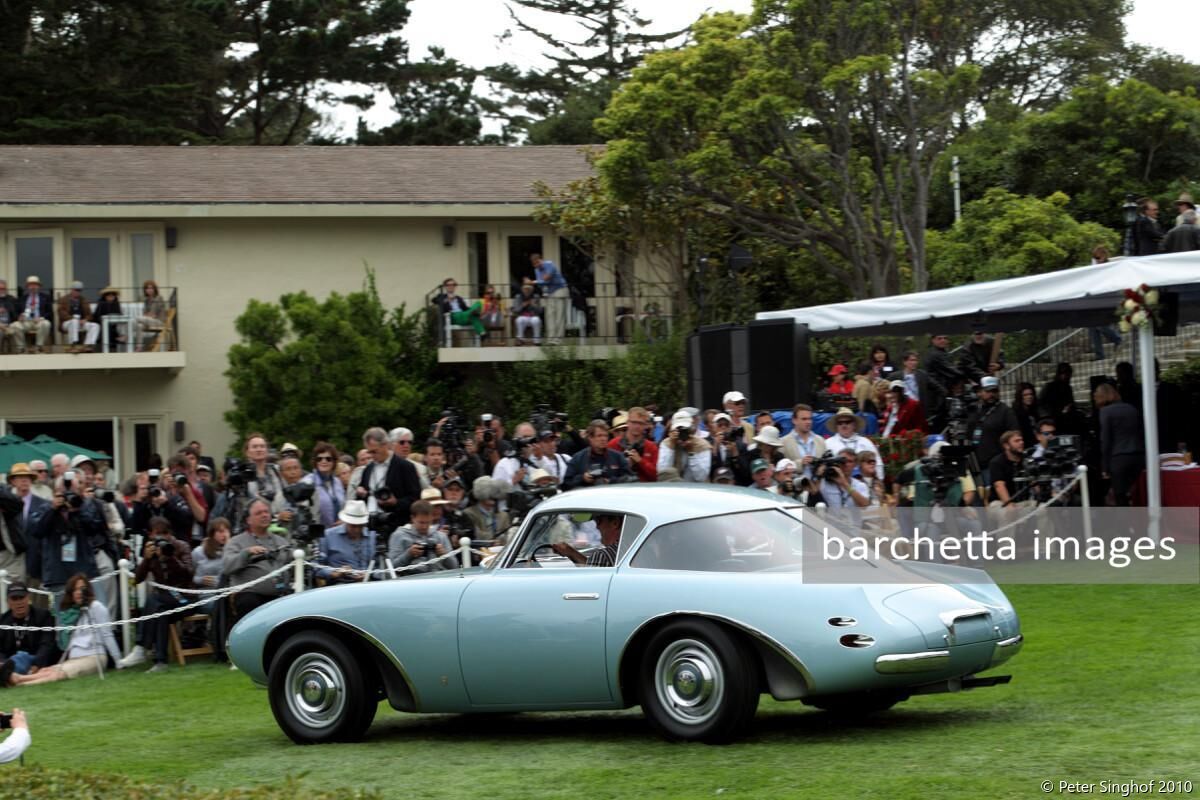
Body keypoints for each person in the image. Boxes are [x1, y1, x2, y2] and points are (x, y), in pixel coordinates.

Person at [7, 574, 122, 685]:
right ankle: (18, 678)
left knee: (58, 675)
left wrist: (118, 662)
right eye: (75, 590)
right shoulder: (72, 613)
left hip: (93, 657)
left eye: (82, 588)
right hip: (74, 657)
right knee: (46, 671)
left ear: (89, 590)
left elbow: (107, 635)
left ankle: (20, 682)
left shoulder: (96, 607)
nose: (79, 593)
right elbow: (64, 645)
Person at [119, 519, 194, 672]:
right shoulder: (151, 550)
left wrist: (170, 557)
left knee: (154, 599)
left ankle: (140, 647)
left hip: (185, 597)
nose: (161, 538)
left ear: (170, 534)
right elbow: (137, 580)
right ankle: (161, 661)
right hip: (164, 601)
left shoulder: (181, 546)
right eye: (157, 534)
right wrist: (146, 559)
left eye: (164, 534)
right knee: (160, 611)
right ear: (151, 535)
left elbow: (189, 574)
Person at [222, 498, 290, 619]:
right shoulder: (235, 542)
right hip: (251, 597)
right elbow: (227, 567)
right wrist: (246, 553)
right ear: (248, 520)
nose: (264, 515)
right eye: (258, 513)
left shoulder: (281, 541)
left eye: (266, 512)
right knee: (248, 602)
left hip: (280, 595)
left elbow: (294, 561)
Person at [351, 427, 421, 525]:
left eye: (374, 451)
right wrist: (361, 493)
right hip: (369, 524)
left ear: (386, 445)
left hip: (395, 524)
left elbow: (415, 499)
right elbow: (364, 496)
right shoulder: (368, 468)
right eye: (369, 452)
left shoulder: (405, 467)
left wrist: (396, 502)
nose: (371, 455)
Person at [1095, 383, 1144, 507]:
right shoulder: (1131, 408)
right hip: (1138, 456)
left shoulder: (1105, 412)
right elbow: (1141, 432)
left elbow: (1105, 440)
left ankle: (1126, 525)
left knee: (1120, 497)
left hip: (1118, 459)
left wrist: (1104, 467)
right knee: (1137, 494)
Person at [0, 582, 59, 678]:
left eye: (21, 597)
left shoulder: (43, 615)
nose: (19, 602)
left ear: (28, 598)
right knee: (16, 659)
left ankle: (7, 673)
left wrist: (36, 664)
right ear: (8, 601)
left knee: (22, 657)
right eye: (14, 598)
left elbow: (47, 644)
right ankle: (7, 672)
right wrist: (2, 663)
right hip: (10, 662)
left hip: (36, 660)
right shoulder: (2, 620)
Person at [316, 500, 379, 583]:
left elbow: (380, 567)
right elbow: (316, 567)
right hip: (338, 587)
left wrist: (369, 574)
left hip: (368, 586)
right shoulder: (328, 535)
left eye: (360, 526)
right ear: (346, 522)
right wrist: (335, 573)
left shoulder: (372, 536)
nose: (357, 530)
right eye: (353, 526)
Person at [969, 376, 1020, 479]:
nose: (991, 394)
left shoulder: (1006, 411)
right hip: (975, 464)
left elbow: (1015, 434)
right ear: (981, 392)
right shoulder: (974, 410)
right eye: (988, 391)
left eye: (994, 391)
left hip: (995, 465)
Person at [387, 500, 455, 575]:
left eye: (428, 522)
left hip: (439, 578)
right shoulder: (399, 535)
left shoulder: (441, 536)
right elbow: (392, 568)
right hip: (410, 580)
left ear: (432, 518)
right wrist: (409, 555)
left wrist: (444, 555)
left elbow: (455, 566)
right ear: (412, 518)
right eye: (421, 522)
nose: (424, 526)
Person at [566, 420, 636, 488]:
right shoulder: (578, 458)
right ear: (590, 437)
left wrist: (611, 481)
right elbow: (566, 483)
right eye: (599, 436)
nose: (603, 439)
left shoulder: (617, 456)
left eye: (605, 435)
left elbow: (632, 478)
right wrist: (582, 478)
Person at [654, 414, 710, 484]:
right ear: (672, 430)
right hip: (672, 487)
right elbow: (662, 472)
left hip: (695, 488)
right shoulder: (667, 443)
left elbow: (701, 477)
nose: (682, 433)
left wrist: (691, 451)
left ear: (691, 429)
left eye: (685, 430)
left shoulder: (702, 445)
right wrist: (671, 446)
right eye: (678, 430)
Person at [609, 406, 659, 483]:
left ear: (646, 425)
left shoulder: (652, 447)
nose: (637, 426)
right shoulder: (613, 444)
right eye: (634, 422)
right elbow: (608, 473)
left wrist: (640, 461)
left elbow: (656, 476)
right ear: (628, 422)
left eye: (640, 423)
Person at [551, 513, 623, 566]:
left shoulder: (603, 556)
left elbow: (590, 584)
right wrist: (571, 553)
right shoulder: (626, 551)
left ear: (615, 523)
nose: (597, 527)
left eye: (599, 521)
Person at [303, 442, 345, 528]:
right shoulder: (308, 481)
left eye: (328, 459)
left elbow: (344, 506)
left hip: (338, 532)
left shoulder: (338, 482)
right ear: (315, 461)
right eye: (319, 459)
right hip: (318, 534)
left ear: (334, 461)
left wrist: (344, 520)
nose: (324, 461)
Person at [530, 253, 568, 342]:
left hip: (560, 290)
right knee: (550, 316)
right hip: (549, 293)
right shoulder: (537, 270)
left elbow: (546, 278)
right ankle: (551, 338)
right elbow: (541, 283)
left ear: (541, 260)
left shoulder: (549, 264)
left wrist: (533, 282)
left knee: (559, 316)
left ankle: (558, 339)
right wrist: (537, 282)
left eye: (537, 262)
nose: (537, 265)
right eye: (534, 264)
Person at [56, 280, 100, 353]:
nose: (78, 292)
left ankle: (87, 345)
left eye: (79, 290)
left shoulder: (84, 300)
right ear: (72, 290)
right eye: (76, 290)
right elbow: (61, 313)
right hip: (66, 323)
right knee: (74, 321)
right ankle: (73, 345)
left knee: (95, 325)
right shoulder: (64, 299)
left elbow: (90, 314)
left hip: (81, 322)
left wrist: (85, 319)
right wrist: (73, 318)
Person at [462, 477, 511, 542]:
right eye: (489, 494)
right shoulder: (469, 513)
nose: (492, 496)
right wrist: (497, 540)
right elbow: (476, 534)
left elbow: (508, 537)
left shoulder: (503, 515)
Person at [13, 275, 52, 353]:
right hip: (26, 322)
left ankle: (39, 347)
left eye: (35, 285)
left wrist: (41, 318)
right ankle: (21, 348)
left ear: (39, 286)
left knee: (46, 324)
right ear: (27, 287)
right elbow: (16, 312)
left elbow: (50, 312)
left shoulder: (45, 297)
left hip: (39, 321)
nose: (33, 287)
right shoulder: (22, 298)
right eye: (31, 285)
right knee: (15, 325)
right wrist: (19, 317)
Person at [987, 431, 1026, 506]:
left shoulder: (1026, 460)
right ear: (1006, 445)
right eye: (1017, 441)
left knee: (1043, 508)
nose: (1021, 442)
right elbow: (999, 485)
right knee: (1006, 512)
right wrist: (1008, 504)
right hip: (1000, 501)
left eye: (1021, 440)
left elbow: (1034, 483)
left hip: (1023, 502)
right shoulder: (996, 462)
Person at [136, 279, 168, 350]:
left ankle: (126, 336)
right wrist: (148, 315)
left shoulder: (158, 298)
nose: (149, 290)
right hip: (150, 321)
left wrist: (148, 315)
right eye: (147, 288)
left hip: (159, 322)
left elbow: (153, 314)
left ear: (155, 289)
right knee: (139, 325)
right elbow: (145, 313)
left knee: (137, 318)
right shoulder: (146, 300)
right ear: (145, 290)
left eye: (151, 288)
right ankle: (139, 347)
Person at [92, 286, 126, 351]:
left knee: (120, 325)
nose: (111, 297)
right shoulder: (101, 303)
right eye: (109, 295)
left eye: (112, 295)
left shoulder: (116, 304)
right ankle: (114, 341)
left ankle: (121, 337)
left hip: (114, 325)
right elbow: (97, 316)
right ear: (105, 296)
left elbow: (120, 315)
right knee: (108, 328)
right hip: (102, 325)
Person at [0, 280, 21, 354]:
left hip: (10, 324)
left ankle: (19, 351)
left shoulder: (11, 299)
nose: (1, 290)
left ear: (6, 289)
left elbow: (17, 314)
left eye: (3, 289)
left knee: (17, 327)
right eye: (0, 289)